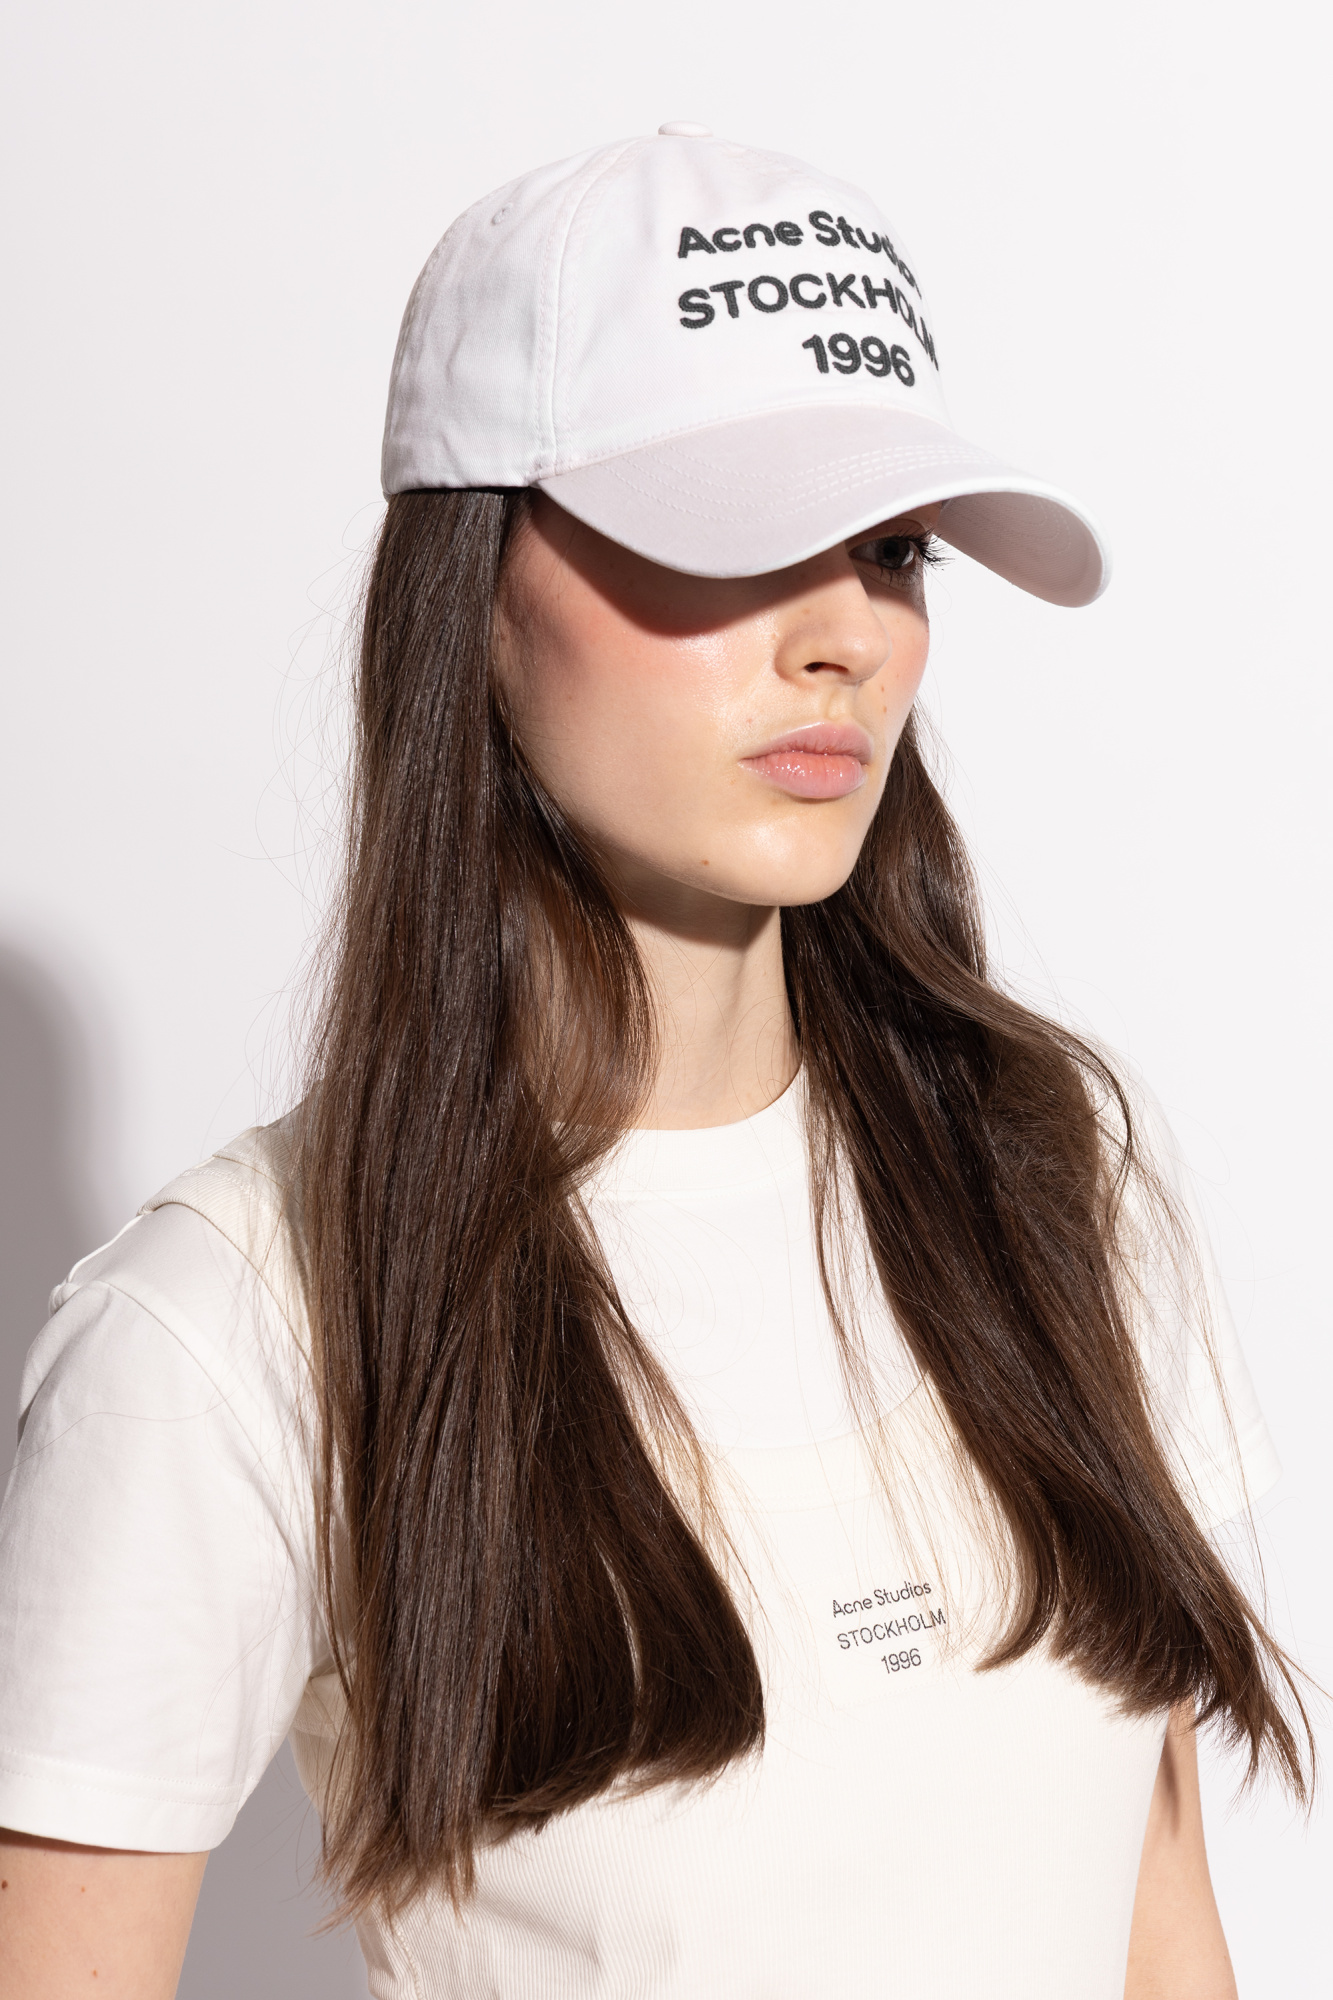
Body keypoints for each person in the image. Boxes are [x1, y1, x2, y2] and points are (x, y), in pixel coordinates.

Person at [0, 125, 1310, 1999]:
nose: (847, 637)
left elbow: (1158, 1926)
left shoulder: (1046, 1179)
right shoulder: (231, 1326)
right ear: (474, 589)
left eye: (890, 548)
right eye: (735, 538)